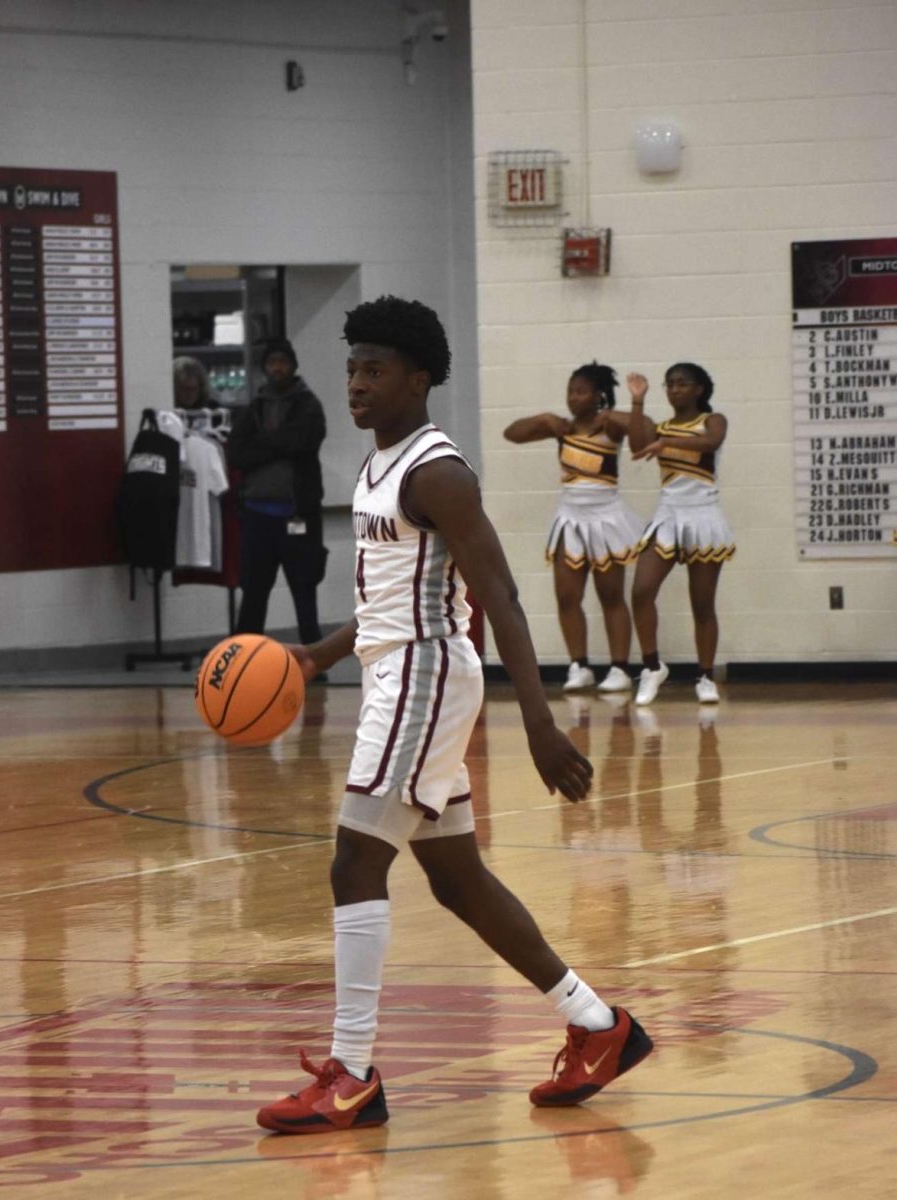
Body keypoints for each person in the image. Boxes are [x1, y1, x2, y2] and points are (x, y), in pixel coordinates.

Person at [256, 297, 652, 1136]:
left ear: (419, 377)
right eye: (353, 366)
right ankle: (597, 1025)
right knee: (455, 877)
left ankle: (353, 1075)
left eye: (375, 369)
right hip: (392, 671)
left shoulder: (438, 472)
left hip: (424, 677)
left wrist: (540, 724)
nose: (357, 383)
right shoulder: (378, 464)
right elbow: (394, 596)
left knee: (353, 864)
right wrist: (320, 656)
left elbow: (497, 594)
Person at [503, 363, 643, 695]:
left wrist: (630, 409)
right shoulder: (561, 428)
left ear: (598, 395)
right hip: (570, 518)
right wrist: (541, 420)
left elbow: (644, 438)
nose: (573, 397)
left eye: (581, 391)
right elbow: (512, 433)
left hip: (606, 516)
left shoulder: (611, 425)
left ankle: (620, 669)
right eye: (570, 391)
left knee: (611, 595)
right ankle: (579, 666)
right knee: (567, 595)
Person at [627, 365, 734, 705]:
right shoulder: (660, 427)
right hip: (668, 514)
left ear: (699, 389)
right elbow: (636, 444)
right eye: (669, 384)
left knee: (702, 604)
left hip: (703, 514)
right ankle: (652, 666)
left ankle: (705, 676)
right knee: (642, 591)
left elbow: (711, 442)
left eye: (682, 383)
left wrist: (665, 442)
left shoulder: (713, 419)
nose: (674, 390)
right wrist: (637, 403)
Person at [228, 338, 327, 644]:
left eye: (282, 362)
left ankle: (314, 660)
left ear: (293, 366)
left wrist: (263, 443)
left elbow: (302, 442)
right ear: (264, 367)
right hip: (257, 515)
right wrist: (279, 444)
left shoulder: (309, 405)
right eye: (272, 362)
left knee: (303, 589)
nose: (277, 368)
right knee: (253, 592)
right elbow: (236, 454)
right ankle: (241, 658)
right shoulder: (254, 407)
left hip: (297, 514)